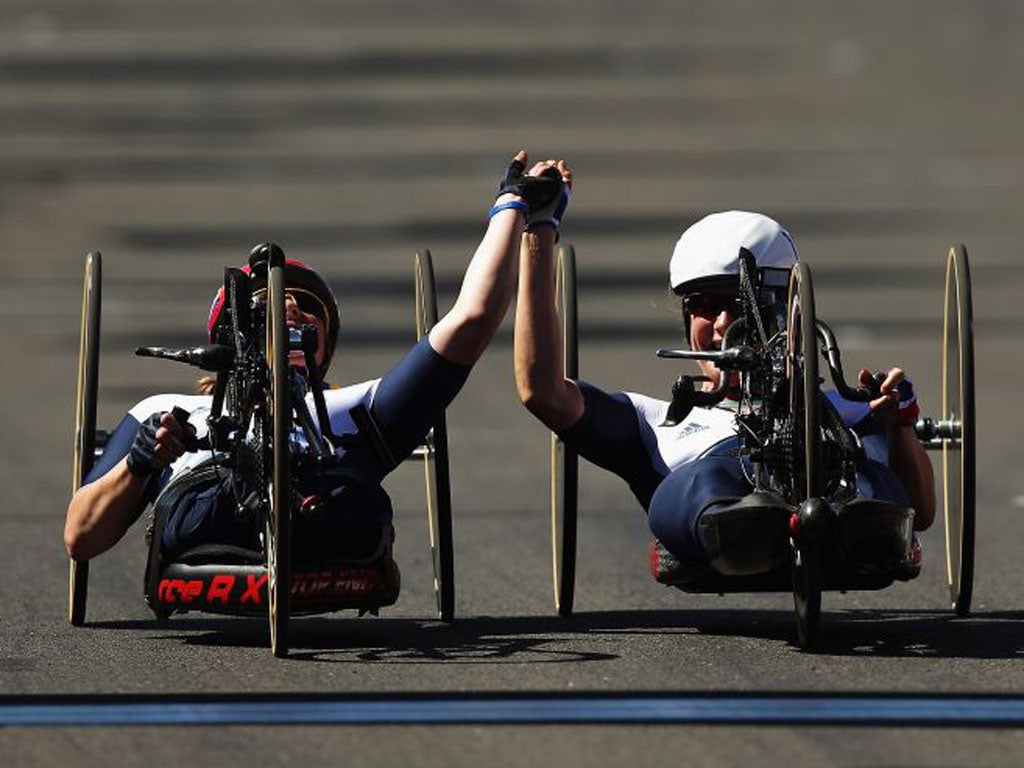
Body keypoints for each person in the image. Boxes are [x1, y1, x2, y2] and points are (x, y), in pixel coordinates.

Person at [64, 151, 574, 589]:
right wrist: (139, 464)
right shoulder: (167, 412)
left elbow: (473, 320)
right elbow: (79, 537)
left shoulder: (352, 408)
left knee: (357, 501)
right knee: (209, 496)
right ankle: (254, 483)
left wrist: (515, 206)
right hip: (207, 512)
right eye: (269, 302)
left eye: (306, 309)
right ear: (229, 338)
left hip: (327, 509)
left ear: (323, 343)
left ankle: (294, 489)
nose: (289, 309)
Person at [515, 205, 935, 583]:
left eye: (739, 305)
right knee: (702, 478)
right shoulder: (654, 421)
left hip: (847, 523)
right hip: (713, 518)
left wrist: (901, 426)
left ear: (787, 312)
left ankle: (863, 526)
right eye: (704, 305)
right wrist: (538, 229)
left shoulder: (853, 409)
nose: (721, 324)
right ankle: (740, 527)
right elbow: (543, 393)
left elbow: (923, 509)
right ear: (685, 316)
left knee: (862, 476)